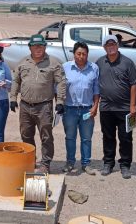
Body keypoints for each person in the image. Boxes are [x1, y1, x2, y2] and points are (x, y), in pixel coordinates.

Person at [10, 34, 66, 174]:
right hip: (25, 106)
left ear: (45, 47)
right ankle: (31, 161)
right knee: (26, 135)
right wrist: (12, 98)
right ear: (30, 47)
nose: (38, 49)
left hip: (44, 106)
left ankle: (45, 164)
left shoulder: (54, 63)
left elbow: (60, 82)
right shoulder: (23, 62)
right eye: (35, 46)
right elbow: (16, 81)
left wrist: (60, 101)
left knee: (46, 136)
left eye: (41, 46)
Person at [96, 35, 136, 179]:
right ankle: (108, 162)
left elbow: (134, 84)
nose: (111, 47)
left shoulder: (127, 62)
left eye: (113, 44)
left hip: (125, 108)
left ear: (117, 45)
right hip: (106, 108)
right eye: (108, 45)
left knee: (126, 137)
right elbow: (95, 84)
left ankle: (125, 165)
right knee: (108, 137)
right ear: (104, 47)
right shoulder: (100, 62)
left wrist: (133, 105)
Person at [61, 42, 99, 175]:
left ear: (87, 54)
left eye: (84, 54)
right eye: (79, 53)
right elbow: (59, 88)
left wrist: (95, 106)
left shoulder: (94, 68)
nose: (81, 56)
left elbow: (96, 90)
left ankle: (86, 164)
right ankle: (70, 162)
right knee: (70, 137)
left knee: (86, 138)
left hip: (87, 110)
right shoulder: (65, 67)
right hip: (69, 109)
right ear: (74, 54)